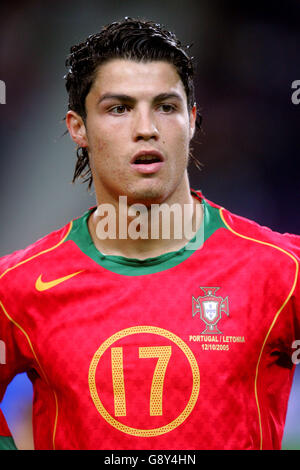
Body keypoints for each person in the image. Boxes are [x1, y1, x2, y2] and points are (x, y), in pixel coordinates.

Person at [0, 17, 299, 451]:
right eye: (119, 108)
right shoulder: (20, 286)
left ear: (192, 120)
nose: (147, 128)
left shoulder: (280, 270)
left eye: (166, 106)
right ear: (77, 127)